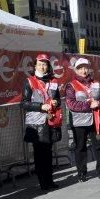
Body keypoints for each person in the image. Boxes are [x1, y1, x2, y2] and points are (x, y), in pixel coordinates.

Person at [21, 53, 62, 190]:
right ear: (35, 66)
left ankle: (50, 181)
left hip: (50, 120)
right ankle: (43, 183)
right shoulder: (29, 81)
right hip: (36, 122)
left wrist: (56, 102)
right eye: (40, 64)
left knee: (49, 152)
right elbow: (24, 103)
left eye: (45, 64)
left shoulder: (53, 81)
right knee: (39, 154)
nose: (42, 67)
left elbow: (59, 100)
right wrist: (40, 106)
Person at [65, 57, 100, 182]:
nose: (83, 70)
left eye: (85, 67)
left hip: (95, 119)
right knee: (80, 147)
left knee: (98, 146)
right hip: (79, 122)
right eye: (80, 68)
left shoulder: (96, 82)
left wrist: (99, 103)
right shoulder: (71, 85)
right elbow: (71, 104)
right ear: (76, 70)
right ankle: (81, 173)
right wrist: (88, 105)